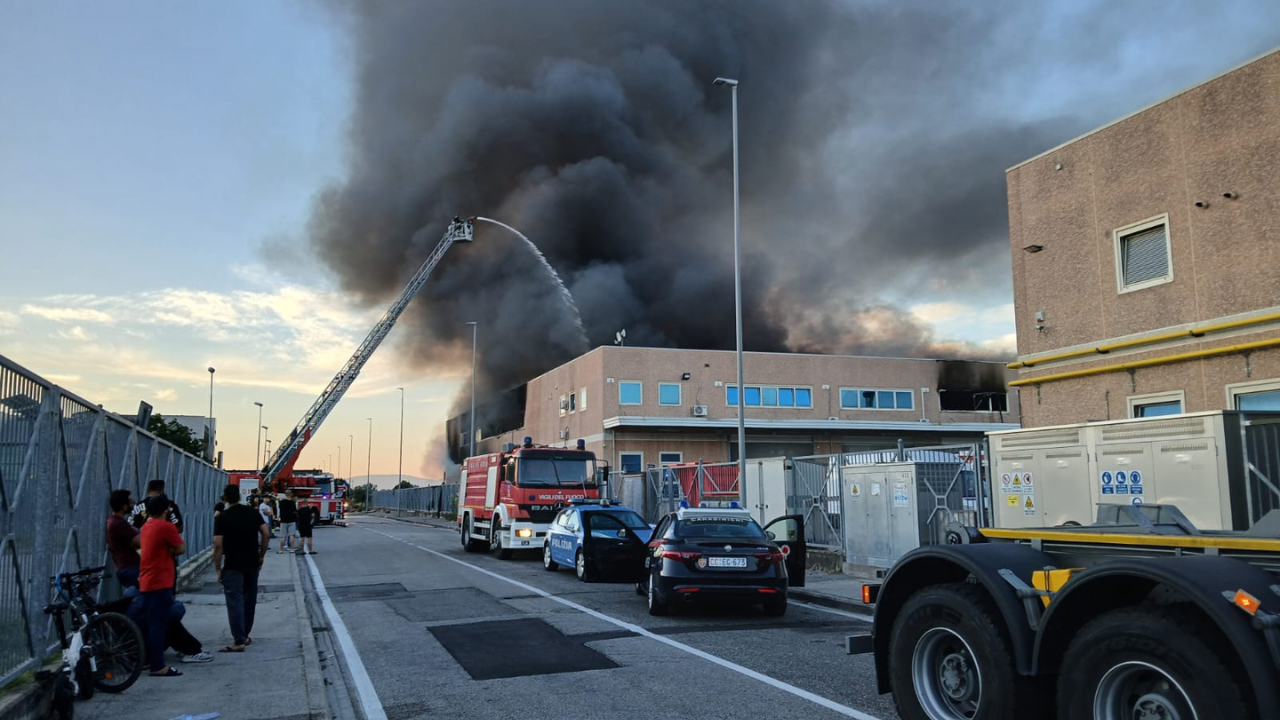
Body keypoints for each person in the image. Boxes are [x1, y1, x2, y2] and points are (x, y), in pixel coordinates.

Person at [106, 489, 213, 664]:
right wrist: (162, 547)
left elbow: (142, 539)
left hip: (141, 575)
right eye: (130, 502)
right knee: (165, 614)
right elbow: (175, 548)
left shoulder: (130, 524)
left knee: (158, 615)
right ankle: (182, 652)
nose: (133, 505)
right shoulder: (124, 524)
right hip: (139, 573)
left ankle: (176, 651)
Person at [213, 483, 269, 652]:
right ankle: (244, 634)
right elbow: (266, 533)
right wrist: (261, 555)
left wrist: (217, 568)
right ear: (239, 496)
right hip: (252, 563)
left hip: (233, 564)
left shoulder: (222, 518)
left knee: (235, 601)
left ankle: (238, 641)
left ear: (225, 498)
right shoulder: (252, 513)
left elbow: (217, 545)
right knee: (249, 600)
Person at [139, 494, 185, 676]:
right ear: (166, 509)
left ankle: (148, 659)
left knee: (150, 622)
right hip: (161, 581)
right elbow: (181, 548)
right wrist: (169, 550)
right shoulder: (166, 527)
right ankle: (158, 665)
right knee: (159, 624)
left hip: (147, 580)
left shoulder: (146, 527)